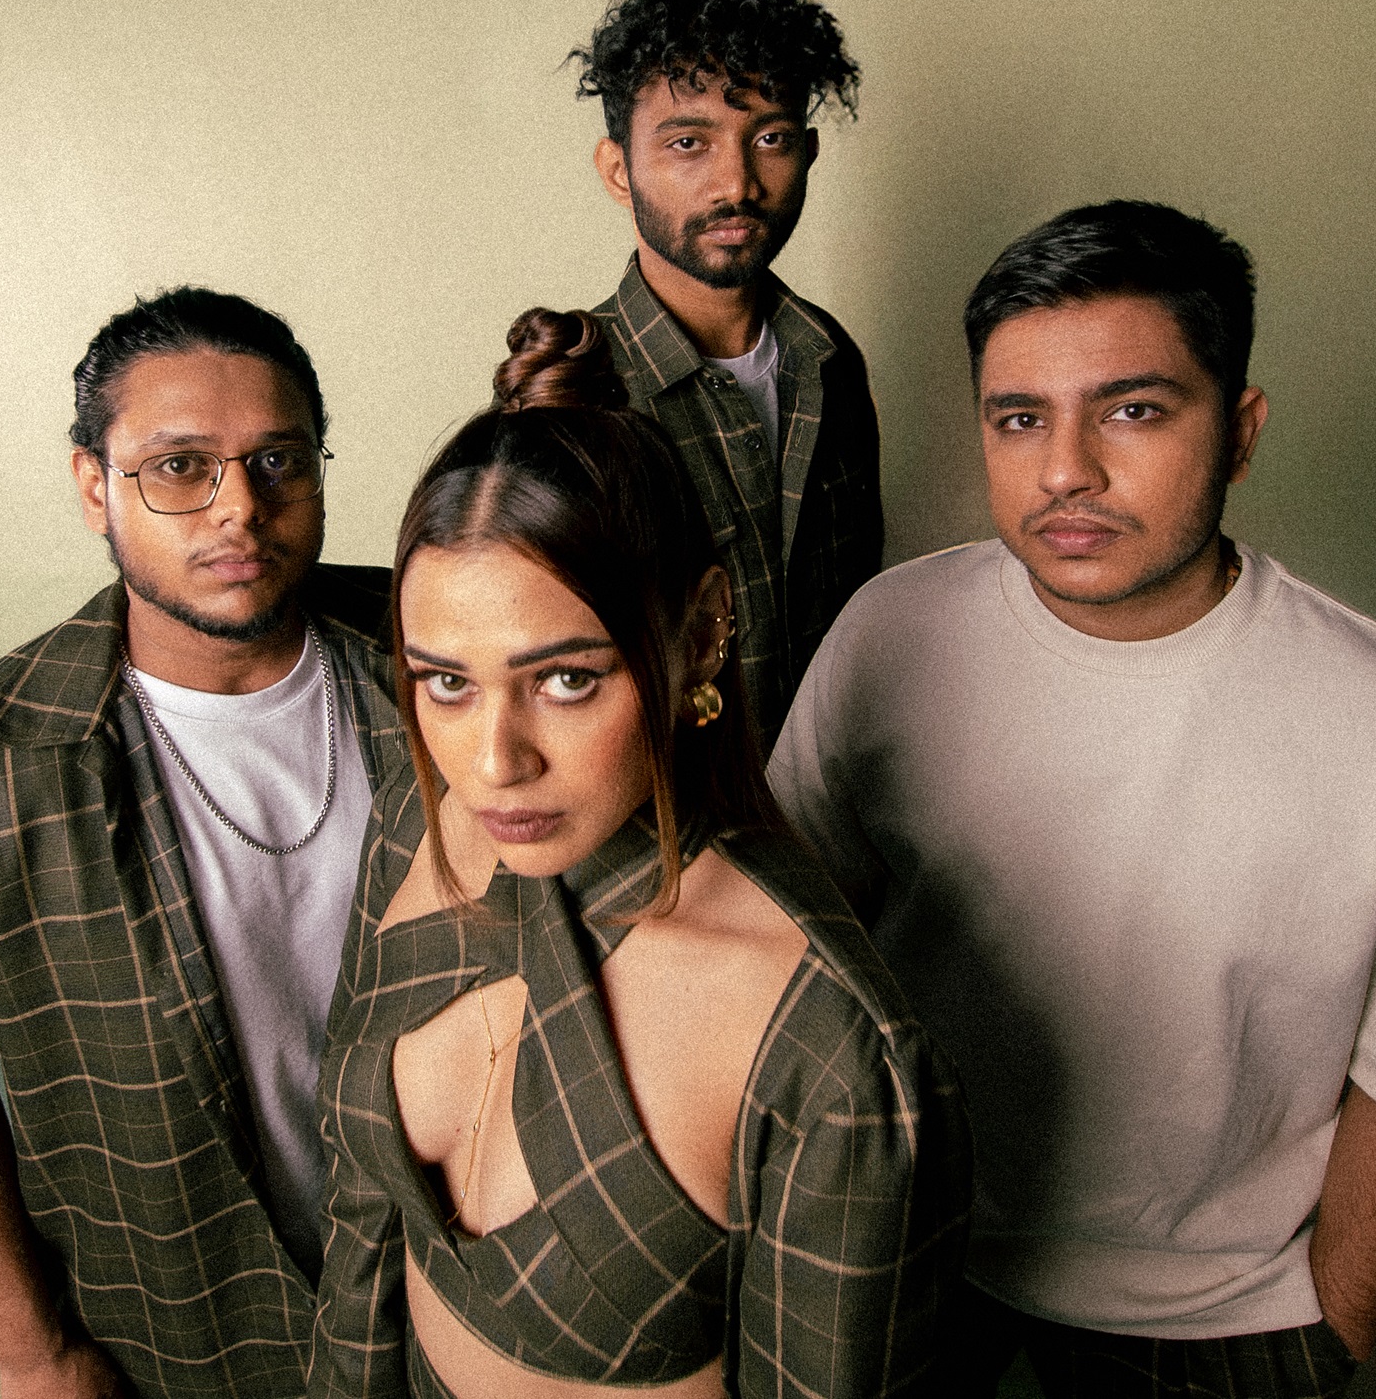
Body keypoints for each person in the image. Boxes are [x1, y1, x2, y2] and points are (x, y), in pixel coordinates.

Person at [768, 201, 1376, 1398]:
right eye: (1018, 419)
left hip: (1221, 1318)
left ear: (1238, 431)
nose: (1065, 471)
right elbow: (785, 936)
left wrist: (1320, 1343)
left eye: (1132, 411)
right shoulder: (889, 634)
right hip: (903, 1258)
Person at [307, 308, 969, 1399]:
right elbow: (363, 1237)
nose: (491, 763)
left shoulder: (830, 1052)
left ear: (701, 633)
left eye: (565, 678)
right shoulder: (412, 824)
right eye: (445, 681)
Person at [0, 287, 405, 1399]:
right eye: (179, 467)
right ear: (94, 485)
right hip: (188, 1341)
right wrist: (35, 1355)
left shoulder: (443, 666)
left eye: (279, 461)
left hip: (471, 1307)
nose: (238, 509)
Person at [573, 0, 880, 753]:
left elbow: (857, 622)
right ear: (618, 170)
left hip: (829, 826)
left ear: (807, 154)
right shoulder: (575, 393)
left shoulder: (831, 359)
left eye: (770, 138)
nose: (737, 182)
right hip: (671, 842)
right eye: (688, 143)